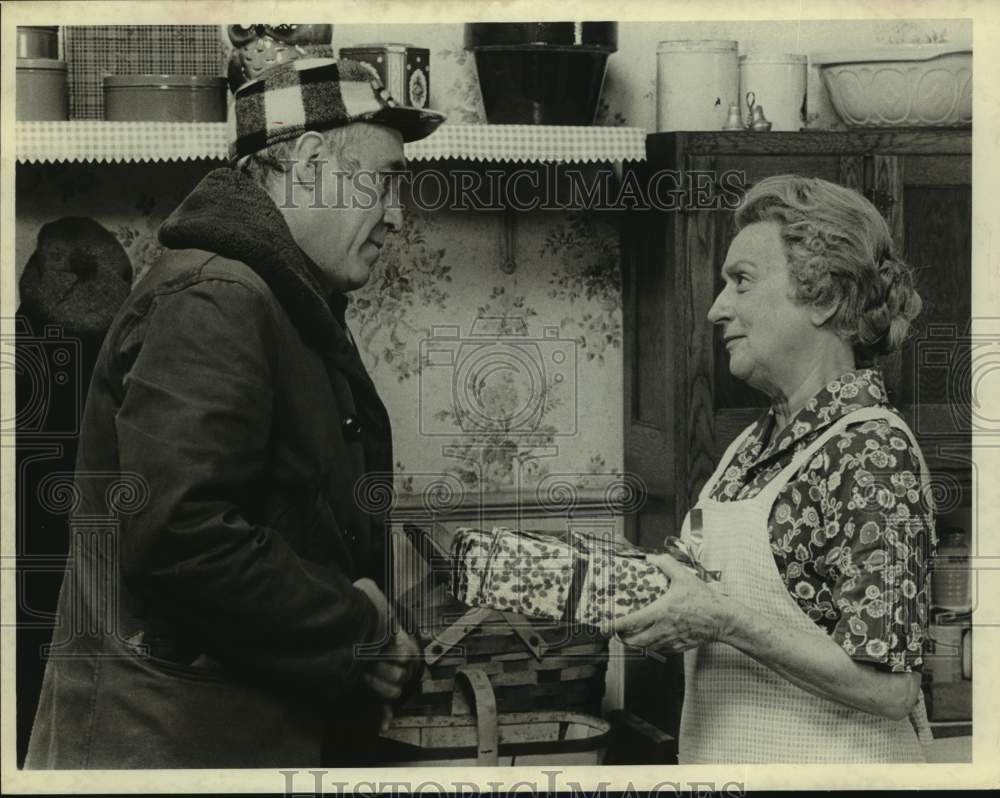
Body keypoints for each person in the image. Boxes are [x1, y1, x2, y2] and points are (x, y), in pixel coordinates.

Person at [25, 58, 445, 769]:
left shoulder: (267, 292)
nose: (398, 216)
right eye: (386, 181)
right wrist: (360, 622)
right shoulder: (217, 298)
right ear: (310, 162)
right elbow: (183, 537)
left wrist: (359, 642)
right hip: (167, 749)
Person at [614, 175, 936, 763]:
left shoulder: (870, 451)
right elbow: (707, 591)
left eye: (741, 281)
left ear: (824, 297)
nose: (717, 308)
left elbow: (891, 686)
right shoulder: (751, 446)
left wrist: (722, 621)